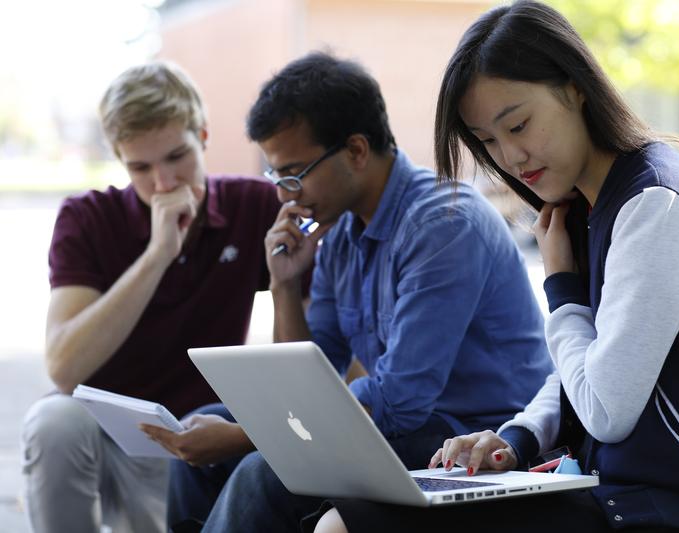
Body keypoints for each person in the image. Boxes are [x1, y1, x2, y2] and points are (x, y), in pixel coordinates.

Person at [311, 2, 679, 532]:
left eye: (519, 124)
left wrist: (562, 289)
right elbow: (587, 370)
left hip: (678, 506)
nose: (510, 156)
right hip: (616, 487)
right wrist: (514, 439)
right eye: (487, 140)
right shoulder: (588, 205)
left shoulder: (656, 205)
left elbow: (605, 407)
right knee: (346, 512)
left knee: (345, 524)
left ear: (575, 86)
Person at [165, 51, 554, 532]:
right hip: (414, 425)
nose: (287, 194)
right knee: (199, 428)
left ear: (355, 150)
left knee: (264, 471)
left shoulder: (445, 224)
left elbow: (399, 401)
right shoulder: (342, 232)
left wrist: (250, 436)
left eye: (295, 173)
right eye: (276, 177)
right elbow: (307, 381)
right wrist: (285, 284)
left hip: (473, 436)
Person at [20, 61, 284, 533]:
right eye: (140, 167)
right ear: (121, 161)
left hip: (196, 438)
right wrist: (157, 255)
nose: (164, 183)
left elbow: (309, 335)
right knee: (52, 422)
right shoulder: (88, 217)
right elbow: (63, 368)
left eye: (177, 156)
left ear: (203, 136)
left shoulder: (255, 205)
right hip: (104, 430)